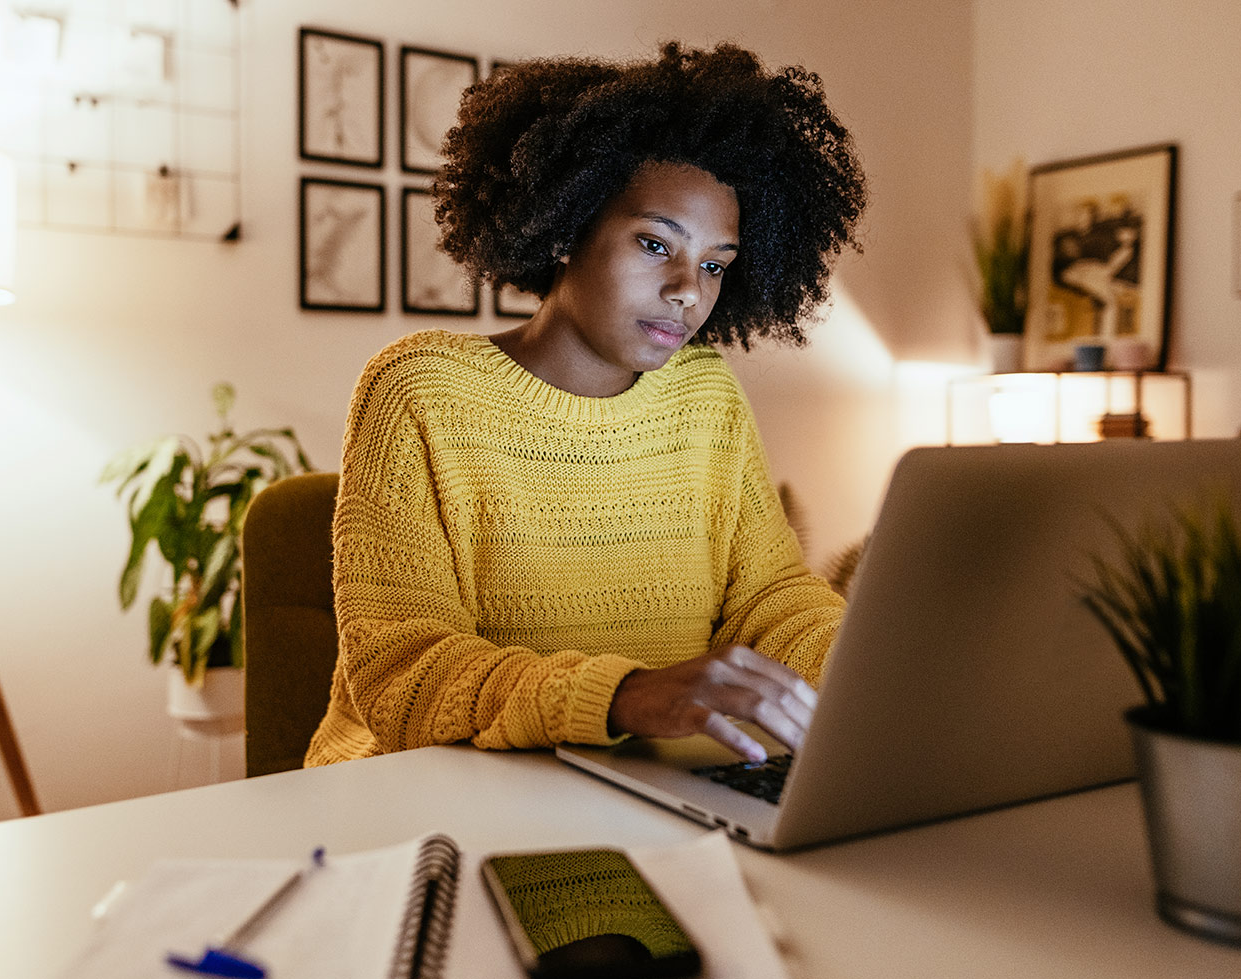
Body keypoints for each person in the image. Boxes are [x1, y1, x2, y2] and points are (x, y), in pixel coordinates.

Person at [303, 43, 867, 769]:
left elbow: (771, 598)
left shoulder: (704, 392)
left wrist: (866, 667)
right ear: (567, 228)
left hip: (643, 780)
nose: (688, 290)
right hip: (427, 794)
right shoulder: (421, 391)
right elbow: (405, 673)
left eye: (714, 264)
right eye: (655, 243)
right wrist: (622, 694)